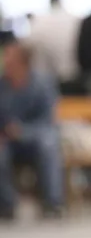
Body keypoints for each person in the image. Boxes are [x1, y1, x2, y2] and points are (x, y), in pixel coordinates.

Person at [0, 40, 64, 221]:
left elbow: (48, 120)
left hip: (37, 135)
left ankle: (53, 203)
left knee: (48, 144)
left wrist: (22, 131)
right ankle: (7, 205)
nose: (5, 60)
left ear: (22, 61)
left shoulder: (43, 84)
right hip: (7, 140)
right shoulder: (2, 85)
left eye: (9, 56)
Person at [27, 0, 82, 95]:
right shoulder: (76, 20)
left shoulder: (39, 21)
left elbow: (30, 49)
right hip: (72, 79)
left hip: (45, 82)